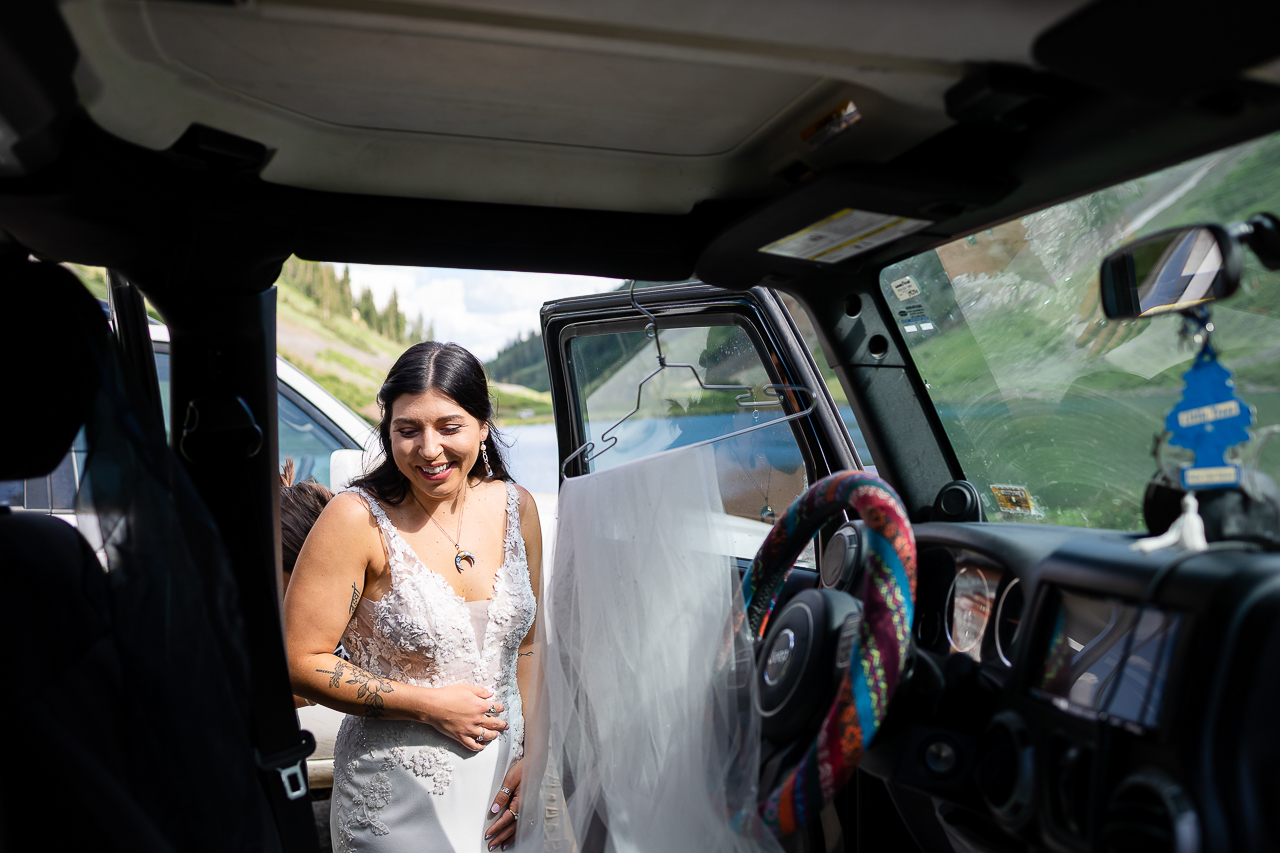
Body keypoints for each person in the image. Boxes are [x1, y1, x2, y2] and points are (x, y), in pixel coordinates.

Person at [285, 342, 541, 853]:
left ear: (483, 425)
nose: (428, 449)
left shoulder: (517, 507)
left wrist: (533, 752)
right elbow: (297, 662)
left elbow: (530, 645)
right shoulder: (355, 520)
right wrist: (427, 706)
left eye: (450, 427)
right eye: (408, 430)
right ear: (388, 432)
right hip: (396, 799)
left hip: (506, 789)